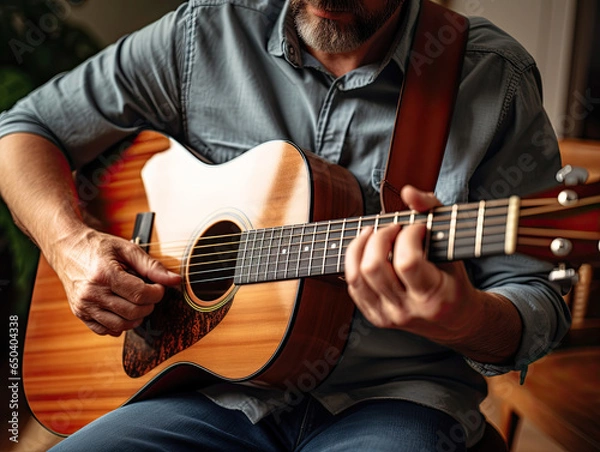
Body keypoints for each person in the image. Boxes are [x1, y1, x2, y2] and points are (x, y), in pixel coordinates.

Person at [0, 0, 571, 450]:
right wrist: (70, 244)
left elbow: (536, 300)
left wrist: (461, 317)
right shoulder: (205, 33)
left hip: (396, 400)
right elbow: (22, 130)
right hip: (201, 394)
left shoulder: (492, 79)